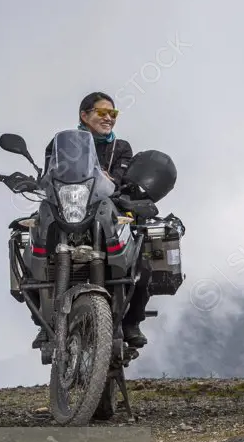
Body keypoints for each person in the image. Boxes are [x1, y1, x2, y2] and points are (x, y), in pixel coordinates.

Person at [29, 92, 152, 349]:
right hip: (69, 204)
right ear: (84, 116)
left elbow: (120, 179)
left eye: (113, 114)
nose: (108, 118)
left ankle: (131, 323)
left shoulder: (122, 148)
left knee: (141, 256)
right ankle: (43, 322)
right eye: (101, 112)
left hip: (106, 207)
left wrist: (113, 180)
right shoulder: (59, 145)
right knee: (30, 245)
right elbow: (51, 173)